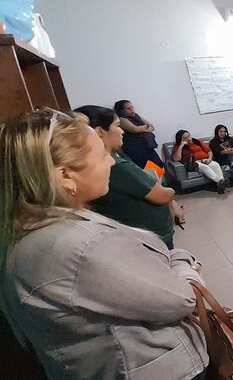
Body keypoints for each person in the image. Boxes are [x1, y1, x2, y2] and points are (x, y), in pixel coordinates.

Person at [0, 109, 208, 380]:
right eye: (100, 156)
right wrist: (183, 262)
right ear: (65, 175)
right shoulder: (80, 245)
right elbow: (181, 299)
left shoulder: (33, 230)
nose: (110, 162)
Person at [76, 105, 182, 250]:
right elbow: (162, 195)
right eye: (117, 126)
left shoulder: (109, 157)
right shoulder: (115, 166)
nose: (122, 131)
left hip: (131, 236)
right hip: (150, 237)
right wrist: (171, 191)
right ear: (100, 132)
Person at [172, 129, 226, 194]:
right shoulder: (178, 146)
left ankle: (221, 182)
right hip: (192, 163)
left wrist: (209, 159)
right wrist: (181, 146)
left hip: (205, 160)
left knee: (215, 164)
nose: (188, 139)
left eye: (189, 136)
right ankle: (219, 181)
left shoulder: (197, 141)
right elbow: (176, 159)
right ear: (180, 140)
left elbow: (209, 151)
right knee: (204, 167)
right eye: (185, 138)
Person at [113, 99, 163, 168]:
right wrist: (146, 127)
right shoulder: (121, 119)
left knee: (159, 165)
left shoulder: (136, 116)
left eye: (132, 107)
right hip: (136, 149)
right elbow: (135, 129)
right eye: (128, 108)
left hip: (147, 147)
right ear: (121, 111)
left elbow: (152, 127)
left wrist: (144, 128)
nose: (132, 110)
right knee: (146, 168)